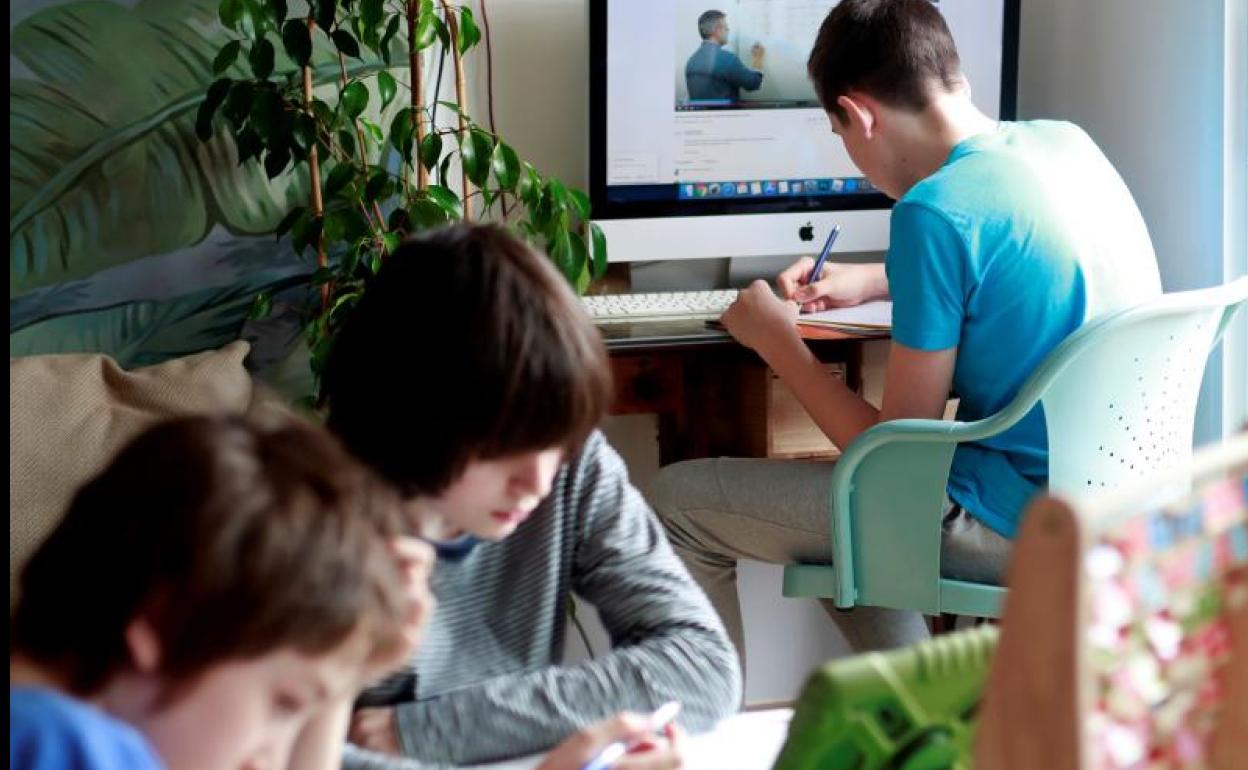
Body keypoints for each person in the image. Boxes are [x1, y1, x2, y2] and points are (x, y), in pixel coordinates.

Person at [647, 0, 1162, 666]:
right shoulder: (1065, 145)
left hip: (1013, 526)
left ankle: (697, 743)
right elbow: (1022, 256)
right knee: (835, 516)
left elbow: (889, 462)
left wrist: (780, 343)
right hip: (1120, 507)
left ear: (859, 114)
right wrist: (882, 279)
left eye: (839, 135)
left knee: (675, 503)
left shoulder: (932, 212)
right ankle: (912, 734)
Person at [9, 415, 685, 770]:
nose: (261, 763)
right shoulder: (60, 744)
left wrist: (341, 674)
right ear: (159, 622)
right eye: (281, 704)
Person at [321, 225, 740, 768]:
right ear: (414, 417)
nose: (538, 484)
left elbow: (702, 669)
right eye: (505, 448)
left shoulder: (572, 465)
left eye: (556, 445)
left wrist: (427, 729)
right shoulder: (303, 521)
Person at [685, 9, 765, 103]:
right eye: (726, 27)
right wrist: (758, 59)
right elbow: (753, 83)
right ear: (717, 30)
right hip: (725, 117)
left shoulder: (691, 61)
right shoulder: (728, 60)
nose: (728, 30)